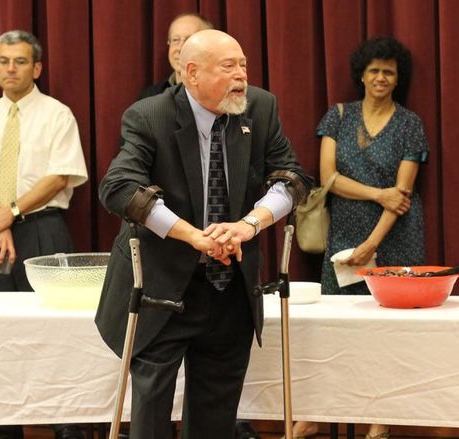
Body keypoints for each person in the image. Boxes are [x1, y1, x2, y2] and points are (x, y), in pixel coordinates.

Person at [97, 29, 310, 439]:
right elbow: (119, 187)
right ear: (191, 73)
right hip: (162, 286)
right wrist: (191, 235)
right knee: (151, 416)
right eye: (228, 67)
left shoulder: (260, 108)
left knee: (215, 417)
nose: (241, 76)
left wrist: (249, 225)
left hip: (228, 288)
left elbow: (293, 179)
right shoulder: (149, 115)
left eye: (243, 65)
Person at [289, 36, 428, 439]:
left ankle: (379, 419)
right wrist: (374, 192)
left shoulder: (410, 124)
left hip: (395, 234)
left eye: (389, 71)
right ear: (362, 75)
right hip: (344, 232)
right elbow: (328, 177)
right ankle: (318, 413)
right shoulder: (338, 116)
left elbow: (400, 197)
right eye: (374, 70)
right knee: (336, 326)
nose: (381, 77)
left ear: (398, 78)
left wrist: (372, 244)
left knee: (386, 331)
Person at [0, 30, 88, 439]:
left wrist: (10, 213)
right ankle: (3, 418)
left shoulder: (56, 114)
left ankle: (65, 418)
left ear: (37, 68)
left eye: (19, 61)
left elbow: (59, 176)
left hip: (43, 229)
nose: (10, 69)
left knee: (53, 327)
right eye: (2, 61)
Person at [136, 13, 213, 100]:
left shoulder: (222, 93)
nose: (180, 48)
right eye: (175, 40)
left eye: (189, 39)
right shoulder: (151, 96)